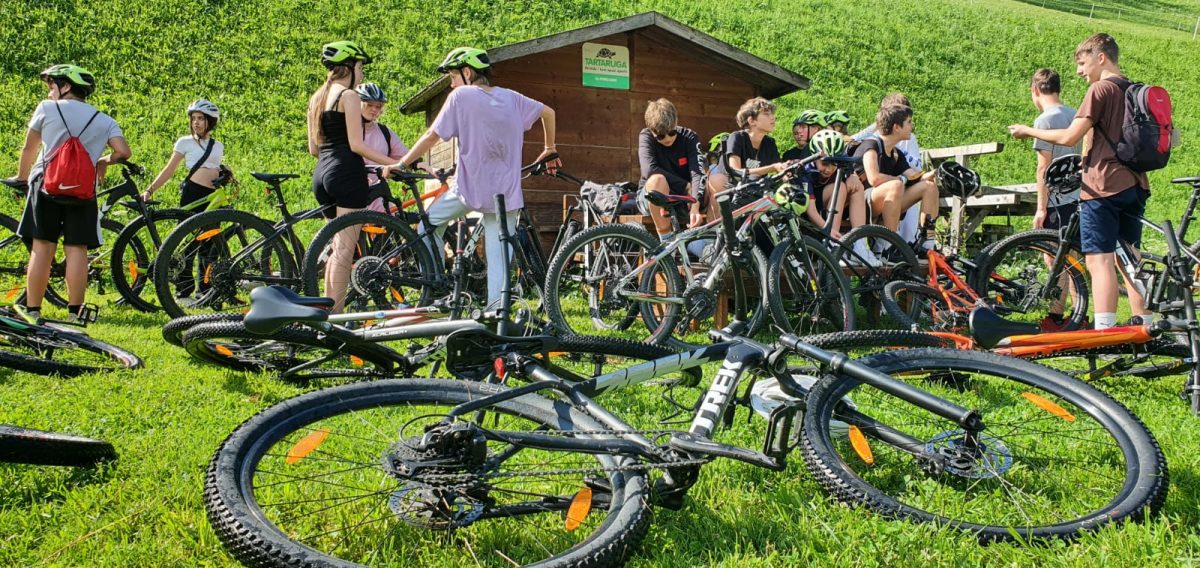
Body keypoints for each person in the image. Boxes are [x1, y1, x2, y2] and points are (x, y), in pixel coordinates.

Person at [384, 47, 560, 309]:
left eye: (453, 77)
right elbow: (549, 113)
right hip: (506, 193)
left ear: (467, 72)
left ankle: (433, 285)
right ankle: (496, 312)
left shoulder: (461, 95)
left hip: (469, 188)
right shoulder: (512, 97)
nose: (451, 83)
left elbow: (432, 136)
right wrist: (549, 148)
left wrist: (401, 163)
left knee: (427, 225)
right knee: (499, 255)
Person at [1009, 33, 1151, 330]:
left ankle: (1104, 330)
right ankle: (1144, 325)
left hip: (1102, 186)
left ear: (1101, 57)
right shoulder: (1134, 89)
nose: (1078, 71)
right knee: (1129, 258)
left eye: (1083, 63)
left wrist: (1027, 131)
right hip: (1135, 183)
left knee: (1099, 260)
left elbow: (1069, 136)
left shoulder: (1100, 90)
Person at [5, 65, 129, 322]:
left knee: (42, 246)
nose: (50, 92)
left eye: (52, 86)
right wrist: (104, 161)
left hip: (45, 184)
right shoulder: (104, 120)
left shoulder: (47, 108)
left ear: (66, 86)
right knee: (77, 249)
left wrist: (21, 177)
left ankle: (33, 310)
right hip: (83, 191)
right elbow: (123, 152)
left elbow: (29, 148)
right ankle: (75, 313)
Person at [306, 40, 392, 312]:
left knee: (336, 247)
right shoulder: (349, 96)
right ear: (349, 67)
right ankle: (336, 316)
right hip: (346, 173)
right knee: (345, 249)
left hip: (322, 173)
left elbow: (313, 149)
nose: (362, 74)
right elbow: (357, 145)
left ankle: (329, 311)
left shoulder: (317, 97)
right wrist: (396, 162)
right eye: (360, 67)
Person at [853, 104, 940, 244]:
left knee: (929, 186)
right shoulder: (870, 145)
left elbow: (913, 177)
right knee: (896, 185)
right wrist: (901, 179)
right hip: (859, 202)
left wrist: (936, 174)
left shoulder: (896, 153)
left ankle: (926, 243)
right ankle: (889, 245)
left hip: (883, 198)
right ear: (896, 127)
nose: (912, 126)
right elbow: (874, 178)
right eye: (909, 122)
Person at [803, 130, 879, 265]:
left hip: (831, 202)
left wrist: (853, 176)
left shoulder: (841, 160)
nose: (828, 169)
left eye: (834, 164)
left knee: (857, 186)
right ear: (814, 158)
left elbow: (851, 171)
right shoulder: (806, 170)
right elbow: (811, 211)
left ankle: (860, 244)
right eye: (824, 163)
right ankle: (833, 243)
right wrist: (829, 231)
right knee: (841, 187)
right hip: (812, 205)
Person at [637, 98, 705, 238]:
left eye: (672, 133)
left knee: (716, 180)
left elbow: (698, 173)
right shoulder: (645, 136)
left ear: (676, 123)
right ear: (651, 130)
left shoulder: (690, 137)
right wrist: (685, 186)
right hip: (651, 197)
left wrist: (695, 206)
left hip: (684, 198)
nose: (667, 138)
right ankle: (666, 240)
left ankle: (715, 239)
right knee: (657, 180)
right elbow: (649, 170)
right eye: (660, 136)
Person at [141, 100, 225, 209]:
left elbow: (213, 167)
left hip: (213, 194)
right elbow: (169, 169)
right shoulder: (185, 142)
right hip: (193, 192)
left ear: (211, 121)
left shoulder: (218, 146)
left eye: (200, 118)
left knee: (218, 221)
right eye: (193, 118)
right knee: (188, 220)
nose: (196, 122)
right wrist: (149, 191)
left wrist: (224, 171)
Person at [1027, 69, 1081, 231]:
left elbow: (1044, 167)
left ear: (1035, 90)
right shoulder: (1077, 115)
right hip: (1080, 197)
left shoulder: (1044, 120)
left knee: (1052, 247)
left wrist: (1041, 209)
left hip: (1057, 203)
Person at [354, 82, 415, 208]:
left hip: (378, 196)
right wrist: (394, 163)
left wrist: (418, 163)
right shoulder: (346, 130)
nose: (374, 109)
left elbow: (406, 157)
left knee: (397, 217)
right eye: (369, 104)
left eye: (378, 106)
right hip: (352, 194)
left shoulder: (384, 132)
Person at [724, 97, 788, 183]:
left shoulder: (770, 143)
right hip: (728, 187)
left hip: (754, 188)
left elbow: (780, 171)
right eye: (766, 114)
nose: (773, 118)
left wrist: (787, 168)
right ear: (751, 121)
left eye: (772, 114)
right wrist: (772, 167)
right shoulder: (737, 137)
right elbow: (735, 171)